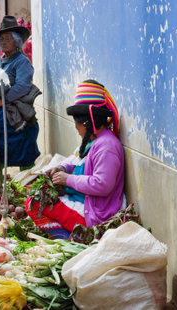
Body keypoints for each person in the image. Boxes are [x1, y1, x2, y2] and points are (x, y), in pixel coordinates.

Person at [26, 80, 125, 238]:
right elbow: (75, 158)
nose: (76, 127)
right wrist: (62, 168)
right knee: (38, 197)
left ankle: (75, 238)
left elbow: (103, 184)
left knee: (34, 204)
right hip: (84, 200)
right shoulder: (93, 141)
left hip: (95, 213)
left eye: (77, 123)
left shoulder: (107, 147)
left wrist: (68, 179)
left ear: (87, 123)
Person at [0, 15, 40, 171]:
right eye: (1, 39)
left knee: (24, 154)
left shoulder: (21, 61)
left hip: (16, 113)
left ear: (16, 41)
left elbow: (22, 86)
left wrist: (2, 101)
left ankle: (28, 186)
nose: (3, 42)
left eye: (7, 38)